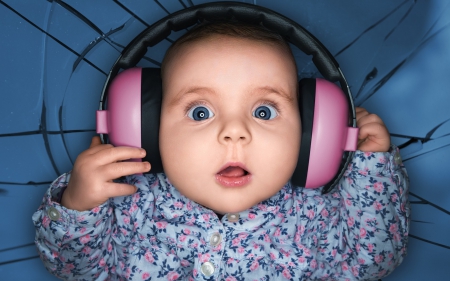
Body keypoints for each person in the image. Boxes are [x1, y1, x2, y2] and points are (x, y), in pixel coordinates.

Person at [33, 21, 410, 280]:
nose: (234, 133)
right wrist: (78, 206)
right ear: (146, 128)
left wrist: (370, 168)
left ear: (314, 132)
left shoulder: (315, 213)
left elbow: (373, 262)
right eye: (200, 112)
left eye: (264, 111)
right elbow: (75, 270)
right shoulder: (130, 202)